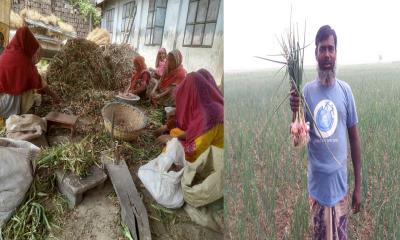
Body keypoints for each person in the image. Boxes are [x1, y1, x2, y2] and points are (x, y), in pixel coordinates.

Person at [290, 25, 361, 239]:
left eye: (331, 48)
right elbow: (297, 142)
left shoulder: (345, 92)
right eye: (323, 49)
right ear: (316, 53)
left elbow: (355, 140)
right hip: (318, 189)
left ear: (336, 53)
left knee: (340, 235)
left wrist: (358, 186)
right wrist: (295, 113)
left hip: (340, 187)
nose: (327, 54)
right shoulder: (306, 92)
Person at [160, 71, 224, 162]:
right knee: (175, 132)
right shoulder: (205, 106)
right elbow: (194, 130)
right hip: (206, 142)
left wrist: (170, 141)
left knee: (168, 150)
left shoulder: (209, 116)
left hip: (217, 159)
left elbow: (193, 153)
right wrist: (175, 138)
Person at [0, 27, 61, 120]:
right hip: (6, 106)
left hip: (2, 100)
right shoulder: (22, 61)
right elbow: (41, 84)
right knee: (28, 90)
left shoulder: (6, 53)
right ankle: (22, 116)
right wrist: (55, 96)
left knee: (24, 85)